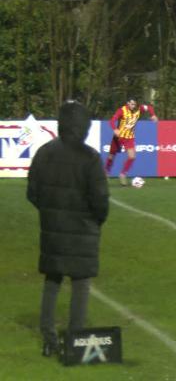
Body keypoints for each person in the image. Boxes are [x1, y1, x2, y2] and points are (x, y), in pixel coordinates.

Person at [27, 100, 109, 357]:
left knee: (52, 281)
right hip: (83, 231)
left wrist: (50, 213)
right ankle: (75, 339)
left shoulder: (44, 153)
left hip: (52, 229)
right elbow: (100, 200)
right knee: (81, 283)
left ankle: (49, 339)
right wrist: (95, 220)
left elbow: (33, 193)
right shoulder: (90, 158)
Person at [105, 97, 157, 186]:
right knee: (111, 157)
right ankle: (106, 173)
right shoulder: (122, 110)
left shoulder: (139, 109)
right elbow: (112, 121)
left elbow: (149, 108)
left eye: (134, 104)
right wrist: (115, 129)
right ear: (127, 103)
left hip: (129, 137)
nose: (133, 106)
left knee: (132, 156)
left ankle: (122, 174)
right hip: (119, 137)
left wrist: (153, 115)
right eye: (131, 104)